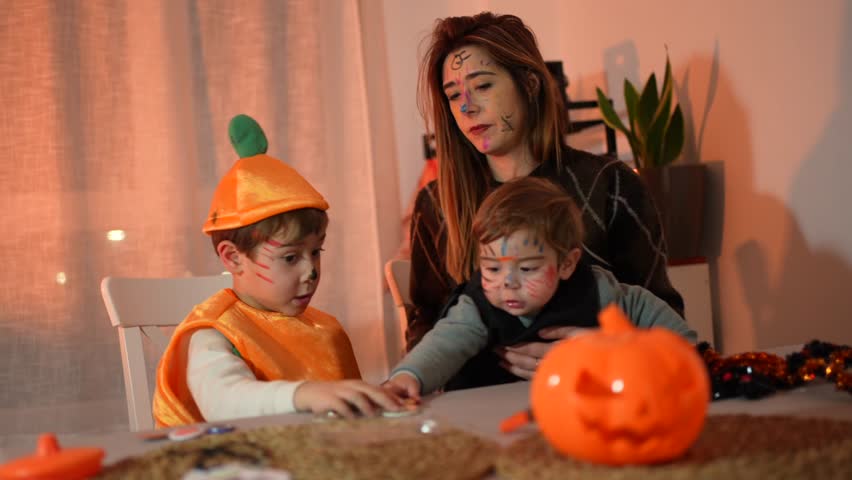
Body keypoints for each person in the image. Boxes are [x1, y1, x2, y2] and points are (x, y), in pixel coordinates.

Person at [408, 12, 685, 381]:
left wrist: (602, 350)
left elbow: (663, 314)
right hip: (479, 410)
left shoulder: (611, 184)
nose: (466, 106)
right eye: (454, 94)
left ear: (530, 83)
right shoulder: (436, 205)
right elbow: (424, 327)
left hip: (601, 394)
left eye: (483, 86)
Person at [153, 114, 401, 427]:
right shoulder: (215, 332)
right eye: (290, 257)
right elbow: (223, 401)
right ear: (233, 258)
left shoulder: (325, 329)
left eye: (316, 252)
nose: (311, 271)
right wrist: (305, 394)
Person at [387, 177, 695, 396]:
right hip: (487, 417)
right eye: (492, 268)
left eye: (527, 268)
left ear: (566, 264)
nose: (508, 282)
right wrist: (407, 376)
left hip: (579, 409)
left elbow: (661, 324)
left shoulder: (597, 291)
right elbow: (445, 341)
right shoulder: (476, 306)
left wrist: (691, 354)